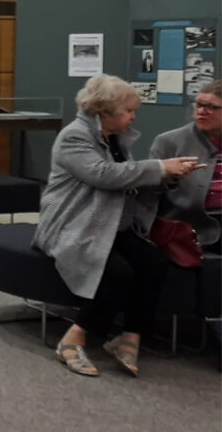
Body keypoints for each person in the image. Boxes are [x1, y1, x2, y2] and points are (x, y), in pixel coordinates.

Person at [34, 74, 201, 378]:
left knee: (154, 262)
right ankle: (74, 337)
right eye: (129, 111)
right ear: (104, 111)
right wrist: (161, 167)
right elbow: (105, 175)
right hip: (74, 225)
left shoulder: (115, 139)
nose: (133, 117)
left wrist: (170, 176)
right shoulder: (74, 137)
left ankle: (129, 337)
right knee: (117, 273)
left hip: (111, 225)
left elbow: (128, 180)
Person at [145, 79, 221, 254]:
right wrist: (169, 176)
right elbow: (150, 192)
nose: (201, 112)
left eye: (211, 107)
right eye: (199, 105)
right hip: (190, 225)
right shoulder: (169, 142)